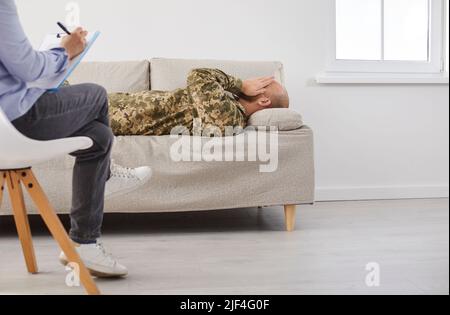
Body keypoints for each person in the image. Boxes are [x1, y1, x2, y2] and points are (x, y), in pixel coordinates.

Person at [0, 0, 152, 278]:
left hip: (5, 126)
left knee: (98, 137)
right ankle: (103, 183)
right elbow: (28, 68)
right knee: (96, 93)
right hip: (15, 122)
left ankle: (85, 241)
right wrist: (64, 50)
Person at [108, 68, 290, 136]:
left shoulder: (229, 116)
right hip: (116, 103)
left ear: (264, 100)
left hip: (112, 114)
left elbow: (198, 75)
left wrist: (241, 84)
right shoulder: (228, 102)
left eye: (261, 84)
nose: (253, 81)